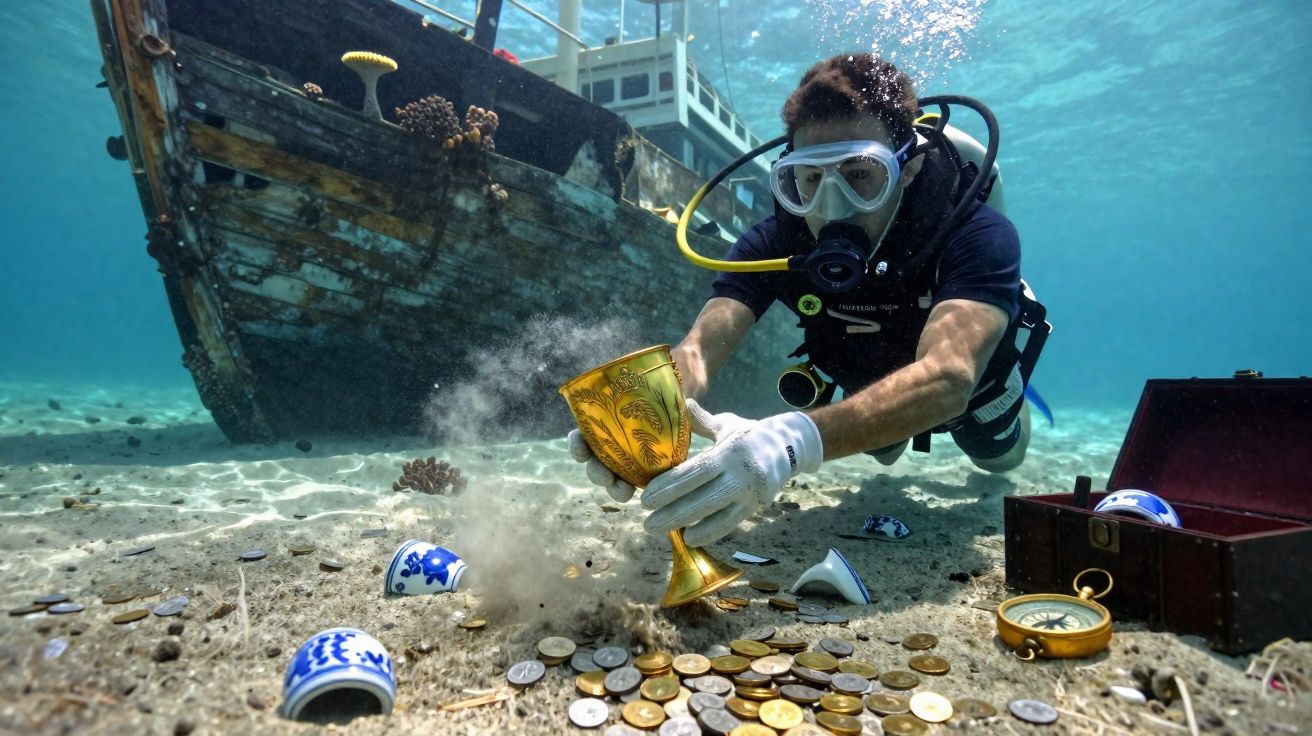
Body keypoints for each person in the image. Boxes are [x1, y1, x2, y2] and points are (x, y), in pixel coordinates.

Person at [569, 53, 1046, 548]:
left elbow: (949, 379)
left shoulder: (977, 234)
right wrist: (636, 410)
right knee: (882, 451)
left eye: (861, 174)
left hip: (972, 389)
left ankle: (1011, 404)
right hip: (867, 377)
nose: (831, 205)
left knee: (999, 460)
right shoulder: (776, 242)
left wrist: (788, 443)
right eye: (811, 178)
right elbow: (697, 351)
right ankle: (889, 432)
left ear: (908, 168)